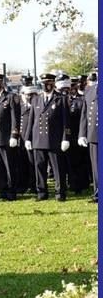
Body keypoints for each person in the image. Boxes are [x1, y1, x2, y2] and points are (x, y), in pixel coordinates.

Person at [25, 73, 70, 201]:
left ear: (53, 84)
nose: (46, 85)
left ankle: (60, 193)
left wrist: (65, 138)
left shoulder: (60, 99)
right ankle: (42, 193)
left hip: (54, 140)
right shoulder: (36, 99)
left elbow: (66, 121)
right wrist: (28, 138)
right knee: (39, 167)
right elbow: (31, 120)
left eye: (49, 83)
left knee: (57, 168)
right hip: (38, 139)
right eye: (44, 83)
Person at [66, 77, 89, 193]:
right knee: (70, 161)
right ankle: (72, 183)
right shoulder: (65, 100)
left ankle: (81, 184)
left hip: (78, 134)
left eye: (74, 86)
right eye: (71, 87)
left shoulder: (81, 100)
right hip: (67, 135)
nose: (72, 89)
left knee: (80, 161)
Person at [78, 72, 98, 203]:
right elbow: (84, 114)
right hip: (93, 134)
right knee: (96, 166)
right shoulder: (89, 90)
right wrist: (82, 134)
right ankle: (98, 193)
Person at [16, 79, 38, 194]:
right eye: (27, 95)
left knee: (33, 163)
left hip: (33, 138)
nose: (29, 97)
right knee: (21, 163)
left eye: (32, 95)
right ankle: (22, 185)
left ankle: (34, 185)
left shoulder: (37, 106)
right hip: (21, 138)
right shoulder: (19, 105)